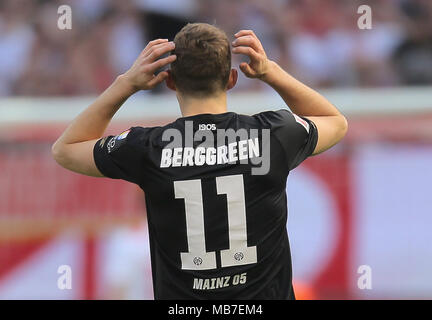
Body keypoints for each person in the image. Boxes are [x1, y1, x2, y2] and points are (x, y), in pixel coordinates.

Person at [52, 23, 347, 299]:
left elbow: (66, 149)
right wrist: (271, 72)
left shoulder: (149, 147)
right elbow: (335, 122)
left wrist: (126, 84)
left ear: (169, 82)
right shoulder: (271, 135)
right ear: (232, 79)